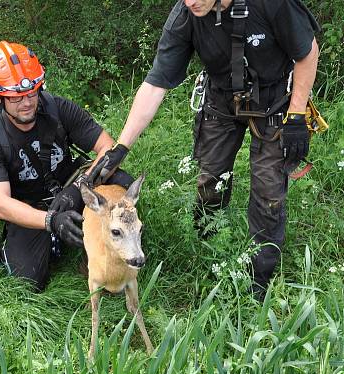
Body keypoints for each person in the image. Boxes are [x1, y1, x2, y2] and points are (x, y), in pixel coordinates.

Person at [90, 0, 320, 297]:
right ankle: (208, 253)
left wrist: (297, 115)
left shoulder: (269, 3)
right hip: (223, 99)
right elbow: (156, 83)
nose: (191, 1)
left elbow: (307, 51)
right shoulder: (186, 14)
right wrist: (122, 146)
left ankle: (258, 280)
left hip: (275, 100)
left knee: (268, 193)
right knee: (210, 182)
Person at [0, 41, 133, 291]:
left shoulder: (57, 108)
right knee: (26, 281)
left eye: (32, 93)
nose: (26, 102)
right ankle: (55, 241)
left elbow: (107, 148)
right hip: (29, 208)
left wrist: (79, 188)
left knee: (121, 181)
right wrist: (51, 221)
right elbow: (2, 205)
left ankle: (103, 254)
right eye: (15, 97)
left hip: (71, 185)